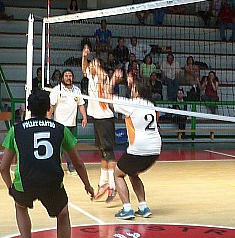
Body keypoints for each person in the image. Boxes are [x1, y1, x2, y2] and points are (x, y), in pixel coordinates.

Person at [0, 89, 94, 238]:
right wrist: (87, 185)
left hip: (25, 181)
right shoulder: (60, 129)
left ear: (28, 109)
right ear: (48, 109)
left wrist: (11, 188)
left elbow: (3, 168)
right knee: (63, 214)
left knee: (20, 206)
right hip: (52, 181)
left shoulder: (16, 130)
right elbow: (77, 163)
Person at [111, 82, 161, 220]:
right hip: (156, 148)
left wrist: (113, 80)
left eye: (133, 89)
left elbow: (109, 100)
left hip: (140, 147)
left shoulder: (133, 104)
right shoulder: (151, 105)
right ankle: (143, 207)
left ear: (137, 92)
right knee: (133, 173)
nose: (131, 91)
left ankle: (127, 209)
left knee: (117, 174)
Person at [81, 45, 117, 202]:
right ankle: (103, 183)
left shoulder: (102, 77)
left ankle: (113, 186)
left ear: (98, 67)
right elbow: (84, 69)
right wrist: (84, 56)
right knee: (102, 151)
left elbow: (103, 76)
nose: (89, 66)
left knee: (108, 152)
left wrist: (97, 65)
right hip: (97, 118)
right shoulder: (91, 76)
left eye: (92, 65)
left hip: (105, 119)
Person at [48, 68, 88, 175]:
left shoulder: (77, 90)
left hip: (72, 123)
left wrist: (84, 117)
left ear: (73, 78)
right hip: (59, 124)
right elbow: (51, 106)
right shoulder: (57, 90)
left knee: (69, 147)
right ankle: (57, 167)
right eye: (66, 76)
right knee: (60, 147)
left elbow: (81, 105)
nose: (68, 77)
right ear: (62, 78)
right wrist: (48, 119)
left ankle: (69, 167)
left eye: (70, 75)